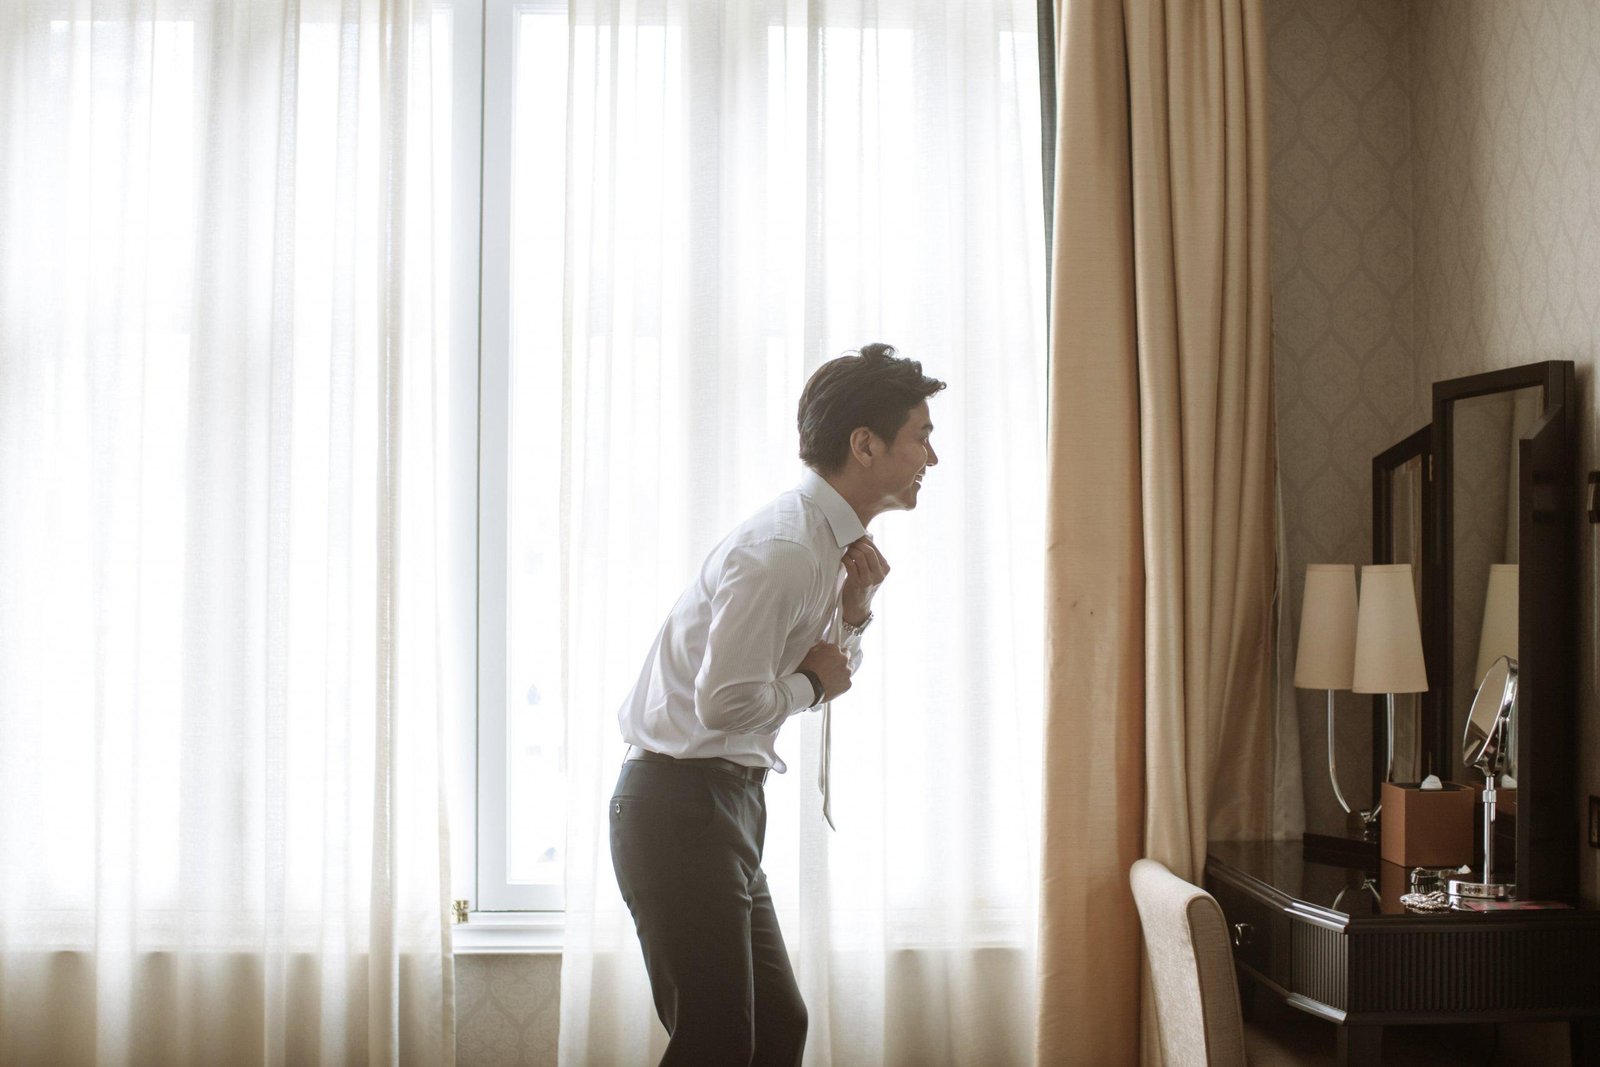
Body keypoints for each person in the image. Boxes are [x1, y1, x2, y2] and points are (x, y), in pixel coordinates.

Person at [609, 342, 945, 1065]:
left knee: (776, 1027)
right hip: (680, 806)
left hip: (720, 804)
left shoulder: (826, 547)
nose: (932, 457)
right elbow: (728, 701)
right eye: (922, 434)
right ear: (865, 444)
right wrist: (816, 681)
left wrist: (854, 616)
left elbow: (821, 673)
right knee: (718, 1041)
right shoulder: (788, 548)